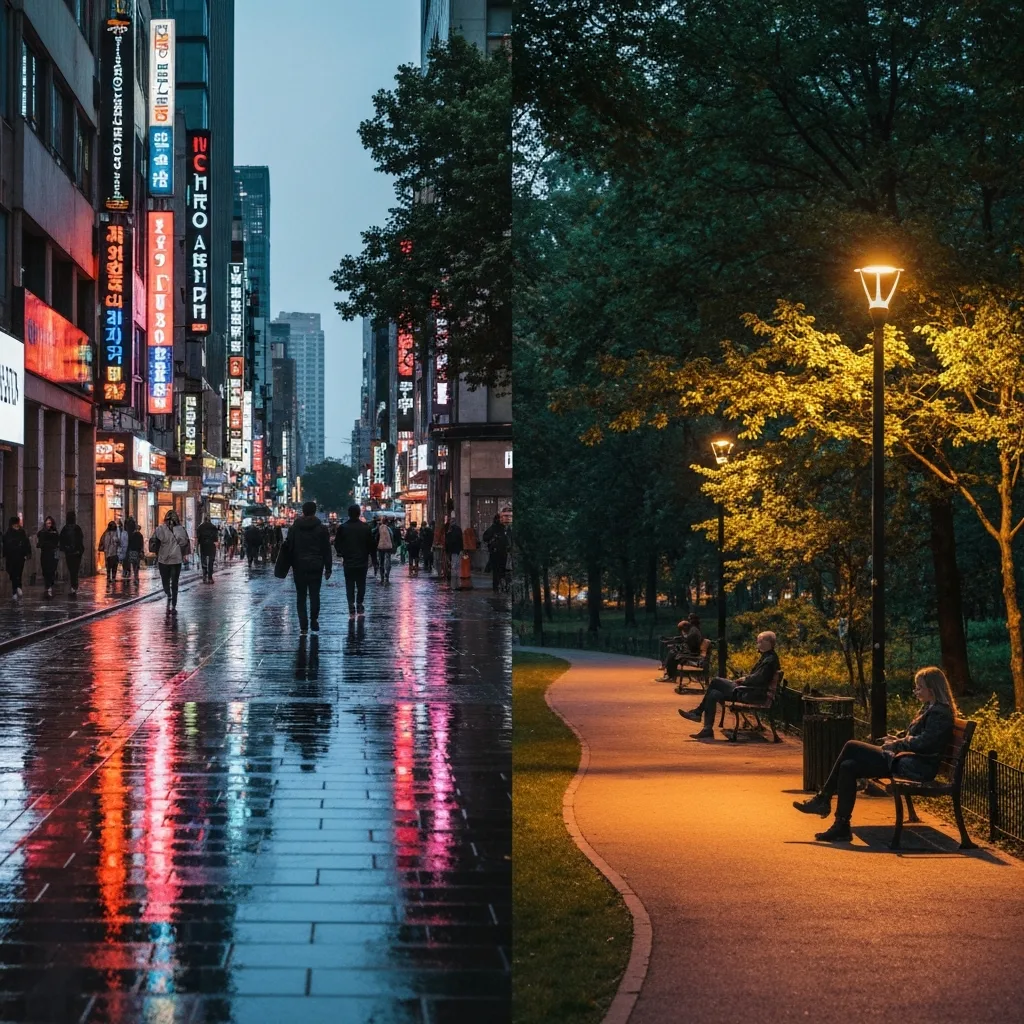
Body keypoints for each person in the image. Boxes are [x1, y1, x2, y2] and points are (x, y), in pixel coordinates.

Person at [794, 666, 958, 842]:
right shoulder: (929, 708)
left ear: (932, 690)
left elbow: (926, 742)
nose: (915, 691)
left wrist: (896, 744)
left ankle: (822, 799)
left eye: (919, 687)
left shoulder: (940, 713)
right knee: (848, 766)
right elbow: (918, 737)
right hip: (906, 760)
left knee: (851, 746)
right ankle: (841, 825)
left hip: (915, 767)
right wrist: (897, 739)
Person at [678, 630, 780, 739]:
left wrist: (744, 679)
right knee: (713, 693)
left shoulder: (770, 660)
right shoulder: (767, 657)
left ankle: (697, 713)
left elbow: (760, 678)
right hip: (749, 691)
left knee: (715, 681)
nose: (757, 643)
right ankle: (707, 729)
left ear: (768, 642)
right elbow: (758, 677)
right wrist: (745, 679)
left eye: (759, 641)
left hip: (750, 693)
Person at [283, 501, 332, 634]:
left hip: (299, 565)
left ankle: (303, 624)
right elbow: (326, 549)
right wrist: (328, 567)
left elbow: (289, 547)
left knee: (301, 595)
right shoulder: (322, 529)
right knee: (315, 594)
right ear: (315, 511)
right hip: (316, 565)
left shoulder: (294, 528)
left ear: (303, 511)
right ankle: (314, 620)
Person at [334, 504, 376, 616]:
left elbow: (337, 543)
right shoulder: (366, 528)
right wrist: (373, 559)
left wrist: (341, 553)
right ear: (359, 513)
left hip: (348, 561)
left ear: (348, 514)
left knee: (350, 584)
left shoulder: (343, 528)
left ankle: (351, 604)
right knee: (361, 584)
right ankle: (359, 603)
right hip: (362, 561)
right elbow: (371, 545)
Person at [153, 510, 190, 611]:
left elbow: (155, 541)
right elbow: (184, 542)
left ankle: (168, 593)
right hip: (176, 559)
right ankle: (174, 602)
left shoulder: (160, 529)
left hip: (163, 559)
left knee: (165, 580)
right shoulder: (181, 530)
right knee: (175, 582)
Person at [658, 613, 703, 683]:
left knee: (673, 653)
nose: (689, 621)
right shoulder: (694, 629)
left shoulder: (694, 630)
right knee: (673, 652)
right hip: (692, 650)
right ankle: (670, 674)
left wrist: (678, 647)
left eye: (690, 619)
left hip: (692, 652)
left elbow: (689, 644)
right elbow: (687, 642)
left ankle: (670, 676)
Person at [3, 516, 31, 601]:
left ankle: (16, 589)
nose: (16, 527)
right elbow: (5, 545)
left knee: (18, 573)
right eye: (14, 525)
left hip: (20, 556)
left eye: (17, 525)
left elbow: (26, 543)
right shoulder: (8, 534)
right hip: (11, 557)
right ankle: (16, 588)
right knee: (12, 573)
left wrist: (27, 553)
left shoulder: (22, 532)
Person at [59, 511, 85, 596]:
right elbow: (80, 540)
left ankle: (73, 586)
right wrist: (79, 550)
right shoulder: (77, 528)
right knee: (75, 570)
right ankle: (74, 586)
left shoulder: (65, 528)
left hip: (70, 553)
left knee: (72, 570)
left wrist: (65, 548)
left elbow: (61, 540)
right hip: (76, 553)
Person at [483, 515, 509, 592]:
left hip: (499, 552)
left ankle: (498, 586)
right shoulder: (497, 529)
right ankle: (498, 586)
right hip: (498, 552)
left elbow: (485, 538)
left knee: (498, 571)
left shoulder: (501, 529)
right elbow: (485, 538)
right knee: (499, 570)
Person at [196, 515, 219, 582]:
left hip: (203, 545)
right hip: (211, 545)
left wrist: (197, 546)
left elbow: (198, 538)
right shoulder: (213, 527)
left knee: (203, 560)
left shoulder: (200, 527)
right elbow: (216, 538)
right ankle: (210, 577)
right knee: (211, 561)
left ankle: (204, 575)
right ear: (210, 519)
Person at [375, 515, 396, 585]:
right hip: (388, 547)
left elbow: (376, 537)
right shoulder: (389, 529)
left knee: (381, 562)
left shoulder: (378, 528)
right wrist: (393, 546)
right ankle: (387, 577)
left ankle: (382, 577)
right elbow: (392, 537)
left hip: (380, 547)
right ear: (387, 522)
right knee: (388, 561)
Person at [445, 518, 464, 588]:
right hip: (458, 550)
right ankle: (458, 581)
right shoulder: (458, 529)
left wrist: (447, 551)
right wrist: (462, 549)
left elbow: (448, 542)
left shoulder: (450, 531)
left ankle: (454, 582)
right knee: (458, 565)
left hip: (453, 550)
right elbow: (461, 540)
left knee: (454, 565)